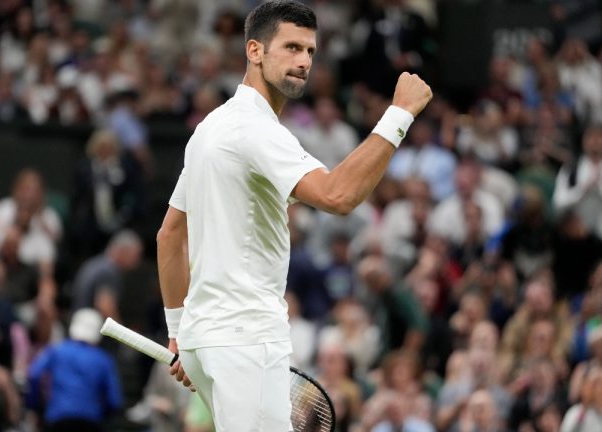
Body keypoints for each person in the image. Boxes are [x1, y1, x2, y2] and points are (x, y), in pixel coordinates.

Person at [155, 1, 432, 430]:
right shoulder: (256, 130)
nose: (303, 61)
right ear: (255, 51)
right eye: (291, 47)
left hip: (205, 339)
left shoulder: (210, 128)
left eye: (310, 51)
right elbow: (339, 195)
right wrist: (399, 115)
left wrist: (179, 333)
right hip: (246, 338)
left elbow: (170, 235)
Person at [26, 308, 122, 432]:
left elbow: (34, 374)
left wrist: (35, 406)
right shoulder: (103, 359)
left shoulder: (57, 350)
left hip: (58, 419)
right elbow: (114, 400)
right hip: (90, 422)